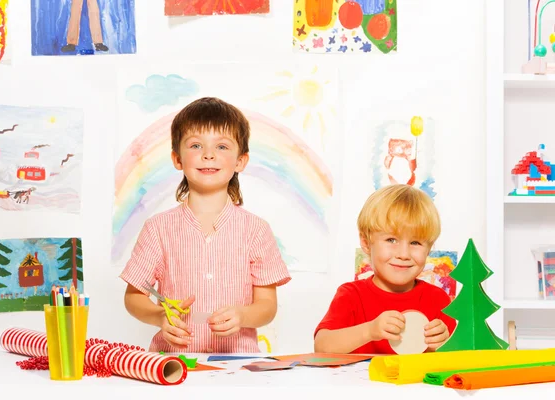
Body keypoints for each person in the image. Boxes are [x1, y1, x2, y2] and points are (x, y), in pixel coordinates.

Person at [120, 97, 291, 353]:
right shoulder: (157, 228)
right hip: (173, 363)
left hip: (237, 366)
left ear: (240, 161)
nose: (209, 154)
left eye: (222, 146)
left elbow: (267, 307)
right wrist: (159, 317)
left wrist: (242, 316)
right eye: (196, 145)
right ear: (177, 159)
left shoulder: (256, 230)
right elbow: (134, 296)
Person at [314, 184, 456, 354]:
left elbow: (457, 360)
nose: (403, 254)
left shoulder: (437, 299)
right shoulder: (351, 295)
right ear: (366, 243)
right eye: (391, 240)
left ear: (429, 248)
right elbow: (321, 347)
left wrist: (442, 345)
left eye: (415, 243)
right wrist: (369, 331)